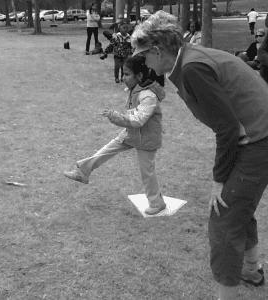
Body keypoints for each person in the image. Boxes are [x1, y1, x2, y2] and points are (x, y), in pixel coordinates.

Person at [131, 10, 268, 300]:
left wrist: (219, 180)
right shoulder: (185, 60)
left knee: (224, 218)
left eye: (142, 56)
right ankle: (251, 269)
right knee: (237, 206)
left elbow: (228, 129)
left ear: (157, 51)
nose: (139, 62)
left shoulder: (192, 67)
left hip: (260, 138)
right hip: (254, 136)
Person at [64, 55, 167, 215]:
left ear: (139, 76)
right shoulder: (136, 90)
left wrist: (116, 116)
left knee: (147, 172)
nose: (123, 78)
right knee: (107, 149)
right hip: (132, 134)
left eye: (127, 74)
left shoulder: (148, 95)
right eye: (123, 74)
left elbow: (138, 120)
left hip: (147, 139)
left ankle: (157, 203)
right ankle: (83, 171)